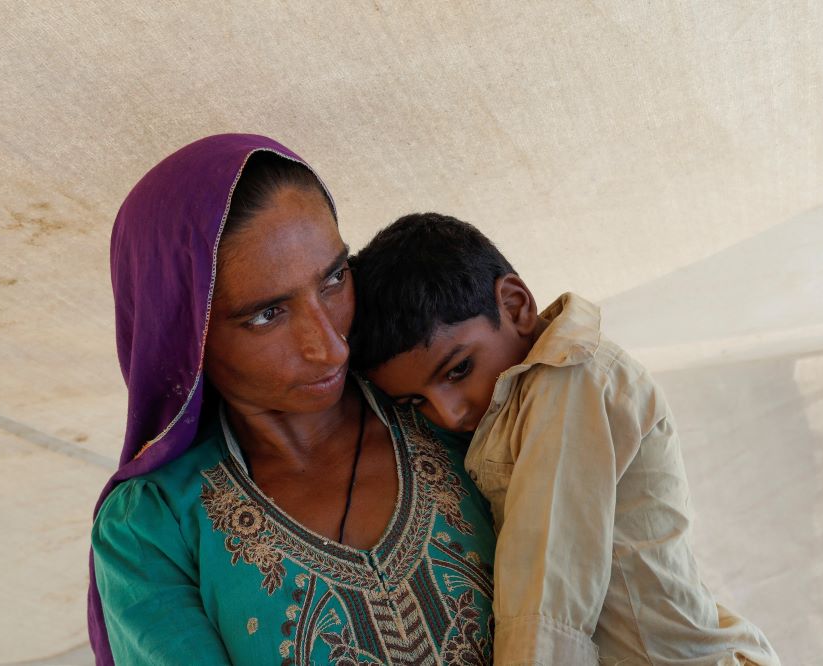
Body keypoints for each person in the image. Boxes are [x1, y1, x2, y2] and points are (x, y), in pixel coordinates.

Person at [88, 137, 498, 665]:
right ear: (182, 336)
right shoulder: (151, 530)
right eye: (267, 315)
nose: (329, 346)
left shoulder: (444, 399)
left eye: (333, 279)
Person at [349, 213, 781, 666]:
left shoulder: (571, 380)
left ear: (515, 306)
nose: (449, 413)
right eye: (417, 403)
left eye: (458, 370)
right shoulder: (522, 398)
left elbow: (549, 596)